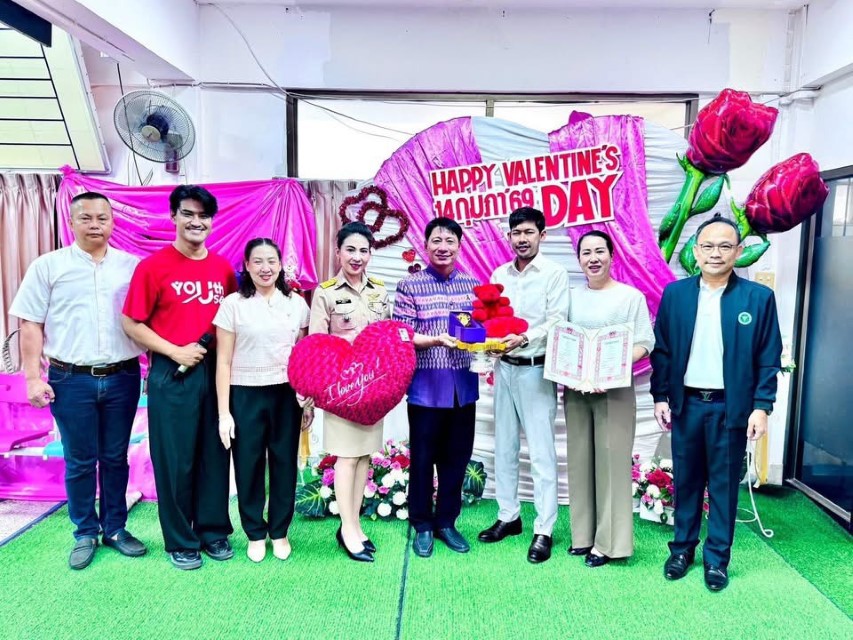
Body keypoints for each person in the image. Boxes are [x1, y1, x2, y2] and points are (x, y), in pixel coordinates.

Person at [9, 191, 146, 570]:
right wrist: (32, 378)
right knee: (80, 460)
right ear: (71, 222)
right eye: (86, 218)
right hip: (70, 379)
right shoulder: (47, 266)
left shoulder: (132, 267)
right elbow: (30, 324)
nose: (95, 224)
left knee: (116, 457)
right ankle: (85, 531)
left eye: (102, 218)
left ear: (113, 222)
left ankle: (115, 528)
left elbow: (146, 319)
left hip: (123, 376)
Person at [650, 214, 782, 592]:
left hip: (731, 409)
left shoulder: (757, 299)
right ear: (695, 251)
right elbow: (663, 350)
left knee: (724, 486)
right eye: (708, 246)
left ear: (738, 252)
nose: (716, 253)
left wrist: (761, 406)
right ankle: (681, 551)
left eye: (725, 246)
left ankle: (717, 560)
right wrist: (660, 395)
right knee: (687, 481)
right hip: (687, 405)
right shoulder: (676, 295)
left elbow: (768, 357)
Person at [121, 184, 237, 570]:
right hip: (172, 373)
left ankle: (213, 531)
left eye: (203, 215)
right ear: (173, 216)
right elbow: (131, 322)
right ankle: (180, 539)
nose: (196, 221)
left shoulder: (223, 269)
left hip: (215, 372)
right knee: (175, 459)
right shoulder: (153, 267)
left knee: (215, 454)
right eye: (188, 213)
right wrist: (174, 350)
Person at [477, 207, 569, 564]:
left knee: (542, 453)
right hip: (504, 369)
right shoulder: (499, 274)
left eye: (529, 232)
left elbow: (558, 321)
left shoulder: (554, 274)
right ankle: (509, 516)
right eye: (516, 233)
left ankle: (544, 529)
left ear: (542, 235)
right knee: (505, 447)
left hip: (536, 370)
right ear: (509, 236)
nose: (522, 239)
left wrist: (524, 337)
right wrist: (490, 343)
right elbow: (491, 317)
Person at [214, 238, 310, 563]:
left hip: (286, 394)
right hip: (245, 393)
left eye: (271, 261)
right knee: (248, 464)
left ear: (281, 265)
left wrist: (306, 400)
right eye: (258, 261)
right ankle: (255, 532)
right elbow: (223, 361)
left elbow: (303, 357)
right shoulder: (233, 305)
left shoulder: (296, 304)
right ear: (247, 265)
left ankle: (280, 531)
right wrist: (224, 413)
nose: (265, 268)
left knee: (284, 463)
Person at [562, 230, 654, 568]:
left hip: (614, 391)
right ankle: (583, 536)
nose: (593, 258)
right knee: (580, 461)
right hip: (575, 390)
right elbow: (561, 339)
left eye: (599, 251)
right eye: (586, 253)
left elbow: (645, 343)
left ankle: (610, 544)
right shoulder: (569, 298)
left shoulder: (630, 297)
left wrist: (609, 370)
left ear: (612, 256)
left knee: (612, 464)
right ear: (579, 259)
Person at [393, 217, 480, 559]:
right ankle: (422, 525)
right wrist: (434, 340)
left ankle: (446, 521)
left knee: (457, 458)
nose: (443, 247)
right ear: (426, 245)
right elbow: (401, 334)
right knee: (422, 459)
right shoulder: (410, 286)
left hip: (463, 387)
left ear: (459, 246)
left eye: (450, 241)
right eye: (436, 241)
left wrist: (487, 342)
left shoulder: (472, 286)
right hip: (426, 389)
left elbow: (478, 332)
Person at [309, 222, 390, 563]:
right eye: (351, 249)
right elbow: (316, 345)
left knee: (364, 455)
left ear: (371, 253)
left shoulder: (380, 291)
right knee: (346, 457)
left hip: (373, 388)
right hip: (341, 389)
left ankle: (353, 526)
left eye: (364, 250)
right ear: (338, 252)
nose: (357, 257)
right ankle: (347, 529)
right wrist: (316, 392)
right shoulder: (325, 293)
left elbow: (388, 337)